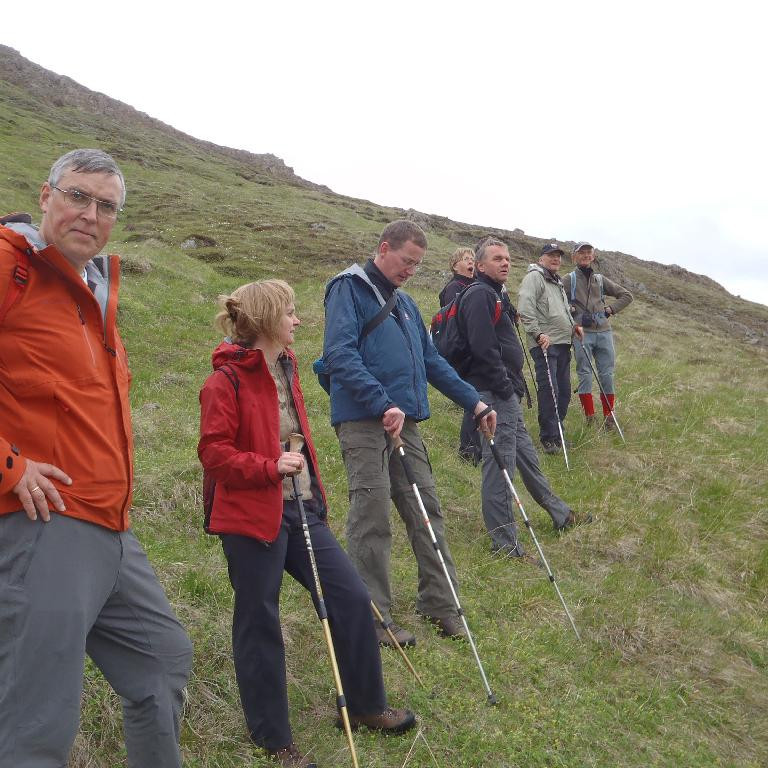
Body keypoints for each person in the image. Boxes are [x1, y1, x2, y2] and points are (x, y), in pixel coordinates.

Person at [0, 149, 193, 768]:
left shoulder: (93, 287)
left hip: (111, 526)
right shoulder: (12, 265)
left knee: (162, 662)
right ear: (47, 194)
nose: (90, 213)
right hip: (45, 521)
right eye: (77, 196)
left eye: (105, 205)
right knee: (37, 721)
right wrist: (9, 464)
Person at [198, 279, 415, 768]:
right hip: (250, 517)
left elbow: (296, 434)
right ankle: (273, 740)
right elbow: (213, 453)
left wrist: (312, 492)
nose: (298, 320)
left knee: (352, 598)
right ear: (267, 319)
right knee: (260, 621)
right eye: (290, 312)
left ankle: (363, 707)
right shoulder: (224, 381)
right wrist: (269, 467)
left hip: (299, 508)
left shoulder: (286, 366)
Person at [320, 220, 496, 647]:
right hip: (363, 421)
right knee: (373, 513)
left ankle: (441, 605)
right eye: (406, 262)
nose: (410, 271)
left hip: (406, 423)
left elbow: (432, 363)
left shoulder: (406, 305)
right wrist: (382, 403)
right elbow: (339, 354)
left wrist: (474, 402)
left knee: (426, 509)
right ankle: (373, 618)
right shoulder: (348, 289)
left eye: (417, 265)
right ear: (384, 248)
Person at [460, 237, 580, 555]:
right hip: (495, 393)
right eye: (497, 258)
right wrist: (503, 387)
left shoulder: (495, 294)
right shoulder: (479, 295)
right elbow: (482, 348)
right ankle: (505, 542)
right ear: (480, 264)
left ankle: (560, 513)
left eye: (508, 258)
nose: (505, 263)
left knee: (526, 457)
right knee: (501, 467)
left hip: (506, 393)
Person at [518, 243, 584, 453]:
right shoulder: (534, 278)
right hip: (545, 344)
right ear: (541, 258)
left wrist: (573, 327)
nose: (556, 259)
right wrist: (538, 334)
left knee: (563, 392)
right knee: (550, 391)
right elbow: (525, 308)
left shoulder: (556, 282)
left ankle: (558, 433)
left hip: (564, 343)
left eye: (558, 256)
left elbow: (561, 312)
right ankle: (549, 438)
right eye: (551, 255)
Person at [562, 242, 633, 428]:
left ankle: (609, 417)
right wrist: (570, 311)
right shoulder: (569, 279)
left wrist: (611, 309)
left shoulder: (600, 280)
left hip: (604, 332)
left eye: (588, 253)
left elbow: (626, 295)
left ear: (593, 256)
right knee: (585, 374)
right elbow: (556, 299)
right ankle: (590, 417)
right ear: (574, 256)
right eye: (581, 253)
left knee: (607, 374)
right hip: (581, 333)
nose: (585, 255)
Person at [438, 246, 481, 462]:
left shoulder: (475, 286)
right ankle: (469, 449)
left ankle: (476, 446)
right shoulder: (454, 287)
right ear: (455, 265)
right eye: (466, 259)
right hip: (464, 349)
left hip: (474, 347)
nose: (471, 261)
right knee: (474, 396)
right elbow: (455, 320)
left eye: (473, 258)